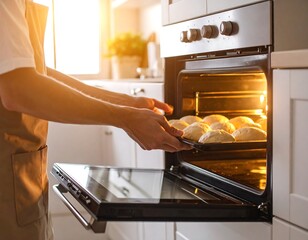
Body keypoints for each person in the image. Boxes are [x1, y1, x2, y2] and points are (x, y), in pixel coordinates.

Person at [0, 1, 190, 239]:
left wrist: (124, 103)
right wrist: (125, 117)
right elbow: (20, 88)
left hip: (18, 176)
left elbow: (36, 72)